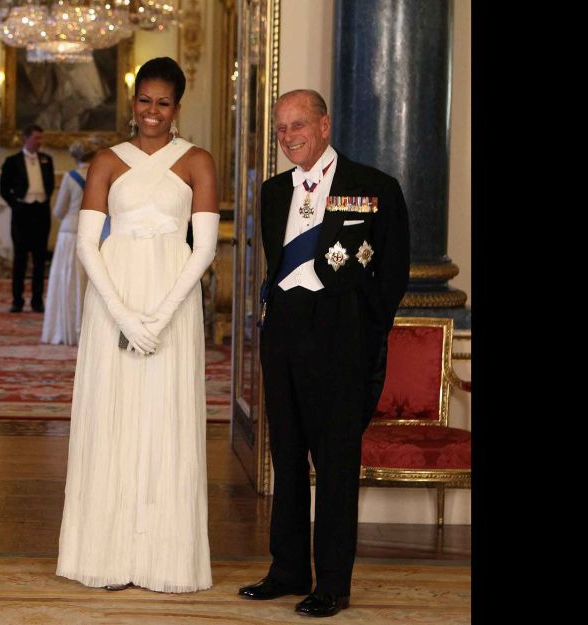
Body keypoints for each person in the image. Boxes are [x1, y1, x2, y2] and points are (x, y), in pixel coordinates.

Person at [236, 89, 410, 617]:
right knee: (286, 458)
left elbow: (392, 274)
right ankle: (288, 570)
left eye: (298, 125)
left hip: (341, 337)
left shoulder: (373, 186)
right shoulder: (271, 192)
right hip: (284, 333)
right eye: (281, 129)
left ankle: (332, 584)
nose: (288, 137)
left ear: (325, 124)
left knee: (335, 465)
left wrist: (361, 329)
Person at [55, 57, 219, 593]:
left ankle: (164, 559)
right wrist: (125, 316)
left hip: (173, 302)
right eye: (145, 100)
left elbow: (204, 249)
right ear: (133, 102)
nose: (153, 111)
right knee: (113, 414)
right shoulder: (107, 161)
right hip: (114, 299)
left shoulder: (197, 161)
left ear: (178, 106)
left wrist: (161, 317)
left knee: (164, 417)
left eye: (164, 102)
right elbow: (85, 245)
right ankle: (104, 552)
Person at [40, 137, 104, 345]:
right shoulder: (101, 175)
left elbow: (59, 210)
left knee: (68, 281)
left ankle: (66, 329)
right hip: (96, 231)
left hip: (70, 232)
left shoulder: (69, 177)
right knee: (92, 281)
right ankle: (91, 329)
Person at [0, 124, 55, 312]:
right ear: (26, 139)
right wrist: (17, 204)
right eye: (36, 138)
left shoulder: (47, 159)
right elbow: (4, 189)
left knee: (40, 259)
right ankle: (17, 301)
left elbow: (50, 184)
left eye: (41, 138)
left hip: (41, 212)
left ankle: (37, 301)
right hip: (22, 213)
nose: (40, 142)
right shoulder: (12, 161)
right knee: (20, 259)